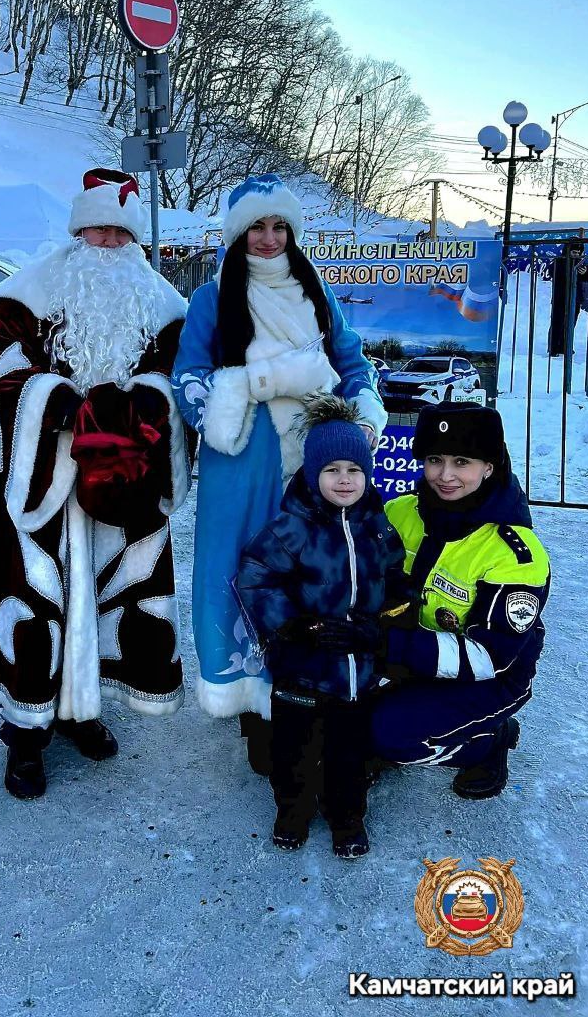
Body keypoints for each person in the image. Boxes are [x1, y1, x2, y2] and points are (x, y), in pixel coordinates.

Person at [0, 168, 193, 799]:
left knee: (103, 596)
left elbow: (176, 378)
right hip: (44, 478)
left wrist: (141, 412)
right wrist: (61, 408)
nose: (108, 244)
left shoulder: (162, 304)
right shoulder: (27, 295)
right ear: (76, 230)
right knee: (37, 597)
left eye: (121, 233)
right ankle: (25, 735)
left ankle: (81, 710)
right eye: (97, 229)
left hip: (124, 479)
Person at [171, 173, 386, 761]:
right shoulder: (212, 298)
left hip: (309, 459)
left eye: (278, 226)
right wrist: (257, 384)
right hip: (240, 456)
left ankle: (300, 693)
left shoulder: (317, 289)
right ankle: (248, 701)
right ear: (238, 236)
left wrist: (363, 419)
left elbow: (353, 363)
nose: (268, 239)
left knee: (308, 568)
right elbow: (186, 379)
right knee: (237, 567)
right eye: (256, 228)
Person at [234, 397, 409, 858]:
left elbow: (397, 581)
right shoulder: (292, 529)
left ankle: (346, 816)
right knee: (292, 748)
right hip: (302, 666)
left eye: (354, 469)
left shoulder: (378, 528)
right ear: (313, 474)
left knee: (348, 751)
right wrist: (293, 626)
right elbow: (254, 576)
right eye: (332, 469)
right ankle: (291, 809)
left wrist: (381, 627)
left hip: (357, 672)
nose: (345, 479)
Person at [370, 402, 551, 799]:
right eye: (434, 459)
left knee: (390, 735)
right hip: (407, 653)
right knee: (336, 716)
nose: (445, 476)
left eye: (462, 461)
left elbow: (490, 657)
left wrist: (384, 645)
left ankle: (489, 743)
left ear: (489, 465)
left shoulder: (516, 554)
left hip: (490, 677)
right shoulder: (398, 512)